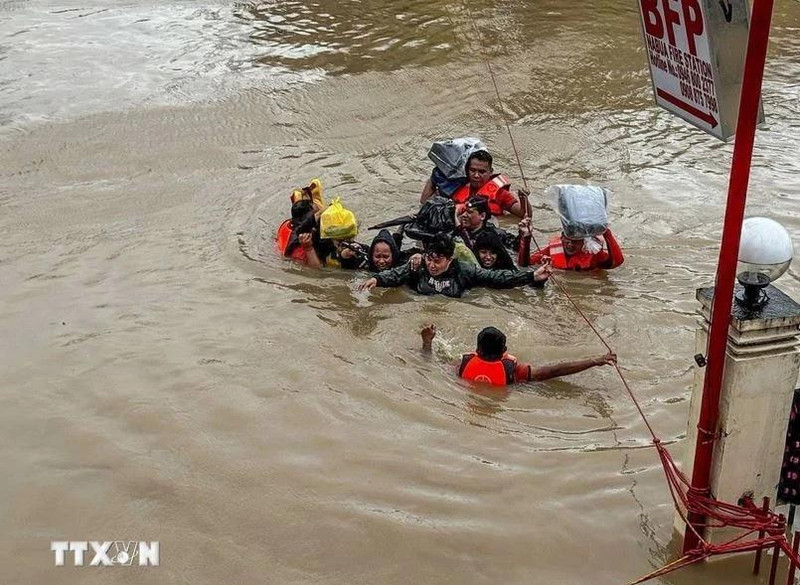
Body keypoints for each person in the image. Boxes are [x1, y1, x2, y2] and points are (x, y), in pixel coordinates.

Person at [357, 233, 551, 298]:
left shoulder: (464, 270)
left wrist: (532, 276)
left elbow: (497, 278)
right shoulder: (418, 266)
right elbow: (396, 275)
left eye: (438, 261)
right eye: (429, 259)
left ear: (449, 259)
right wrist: (377, 279)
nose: (432, 265)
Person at [420, 324, 617, 386]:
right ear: (504, 352)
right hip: (514, 388)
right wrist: (594, 361)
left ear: (477, 350)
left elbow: (431, 363)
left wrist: (427, 343)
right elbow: (554, 370)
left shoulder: (463, 364)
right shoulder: (514, 371)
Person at [428, 150, 528, 218]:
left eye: (482, 172)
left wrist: (523, 198)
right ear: (467, 170)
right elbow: (425, 202)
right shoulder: (456, 186)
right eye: (472, 170)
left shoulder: (501, 194)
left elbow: (524, 214)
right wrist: (435, 177)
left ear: (490, 172)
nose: (476, 175)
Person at [518, 218, 624, 271]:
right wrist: (526, 238)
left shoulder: (594, 254)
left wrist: (606, 233)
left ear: (585, 241)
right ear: (562, 237)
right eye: (567, 239)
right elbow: (525, 265)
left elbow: (616, 262)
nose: (569, 244)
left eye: (575, 241)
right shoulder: (552, 250)